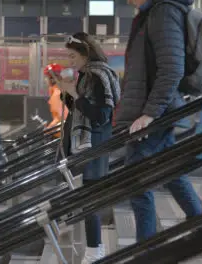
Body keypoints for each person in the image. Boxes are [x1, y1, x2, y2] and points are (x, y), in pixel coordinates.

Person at [116, 0, 202, 244]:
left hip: (153, 115)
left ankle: (145, 250)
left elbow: (172, 68)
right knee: (172, 172)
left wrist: (150, 114)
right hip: (153, 110)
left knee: (136, 181)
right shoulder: (152, 14)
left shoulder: (163, 12)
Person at [59, 32, 121, 263]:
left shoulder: (97, 76)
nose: (70, 60)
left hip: (93, 146)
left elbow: (101, 115)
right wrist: (69, 94)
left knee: (89, 197)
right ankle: (93, 247)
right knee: (86, 196)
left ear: (86, 54)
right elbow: (81, 110)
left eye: (73, 56)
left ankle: (95, 249)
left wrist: (75, 93)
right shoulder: (88, 76)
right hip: (89, 145)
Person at [44, 63, 69, 137]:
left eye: (47, 77)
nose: (46, 80)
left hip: (60, 137)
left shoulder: (57, 94)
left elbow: (62, 119)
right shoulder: (61, 91)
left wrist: (49, 129)